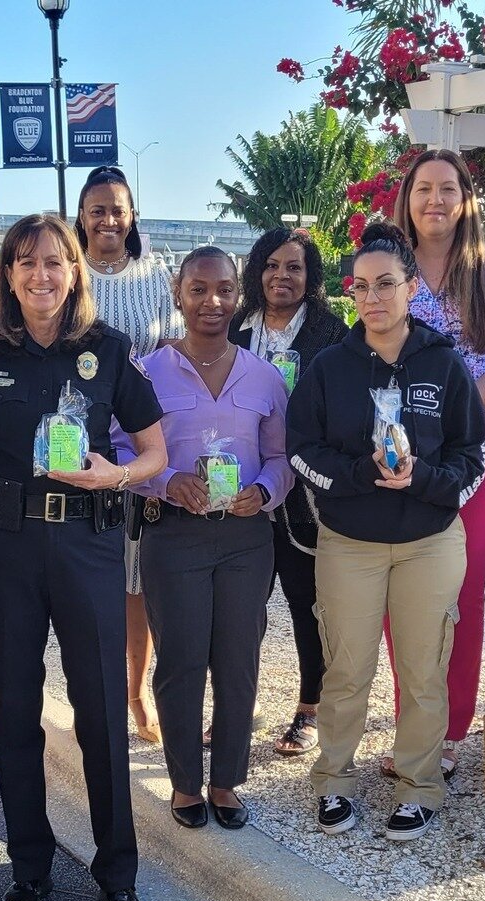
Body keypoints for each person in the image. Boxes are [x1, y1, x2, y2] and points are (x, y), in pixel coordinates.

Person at [0, 213, 168, 901]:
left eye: (54, 262)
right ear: (7, 274)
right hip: (4, 548)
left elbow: (155, 450)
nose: (41, 276)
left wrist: (116, 473)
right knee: (18, 713)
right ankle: (28, 867)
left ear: (74, 271)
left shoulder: (107, 350)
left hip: (87, 543)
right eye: (26, 263)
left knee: (100, 715)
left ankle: (117, 874)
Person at [287, 222, 485, 843]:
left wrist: (426, 480)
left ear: (409, 288)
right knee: (347, 668)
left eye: (387, 284)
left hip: (429, 541)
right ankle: (334, 781)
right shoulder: (329, 368)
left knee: (424, 668)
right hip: (350, 542)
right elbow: (300, 450)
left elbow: (473, 454)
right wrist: (355, 475)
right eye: (362, 286)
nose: (373, 297)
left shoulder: (444, 363)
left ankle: (419, 785)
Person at [134, 247, 290, 830]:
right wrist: (169, 482)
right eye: (199, 290)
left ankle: (225, 779)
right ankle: (183, 782)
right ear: (178, 294)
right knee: (180, 659)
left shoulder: (265, 377)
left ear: (238, 295)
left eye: (224, 290)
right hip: (175, 537)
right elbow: (126, 454)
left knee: (237, 660)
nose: (212, 302)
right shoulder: (147, 373)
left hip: (247, 538)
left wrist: (266, 491)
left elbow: (281, 457)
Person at [392, 147, 485, 770]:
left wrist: (454, 402)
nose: (436, 200)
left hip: (481, 442)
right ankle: (410, 724)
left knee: (458, 589)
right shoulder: (389, 265)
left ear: (466, 199)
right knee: (404, 587)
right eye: (424, 188)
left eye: (448, 188)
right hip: (402, 448)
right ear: (408, 197)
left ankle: (446, 733)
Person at [229, 228, 349, 758]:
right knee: (242, 605)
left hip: (305, 492)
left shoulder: (332, 332)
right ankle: (238, 705)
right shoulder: (234, 327)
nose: (282, 276)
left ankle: (309, 707)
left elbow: (345, 406)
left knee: (305, 601)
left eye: (294, 267)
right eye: (273, 265)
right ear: (258, 271)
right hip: (243, 486)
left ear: (310, 276)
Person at [75, 165, 180, 743]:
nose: (108, 219)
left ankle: (141, 693)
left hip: (147, 444)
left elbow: (172, 352)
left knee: (141, 581)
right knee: (102, 578)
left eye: (117, 208)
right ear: (82, 217)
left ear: (131, 214)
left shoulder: (157, 275)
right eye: (97, 208)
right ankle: (108, 693)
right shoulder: (69, 277)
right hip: (87, 446)